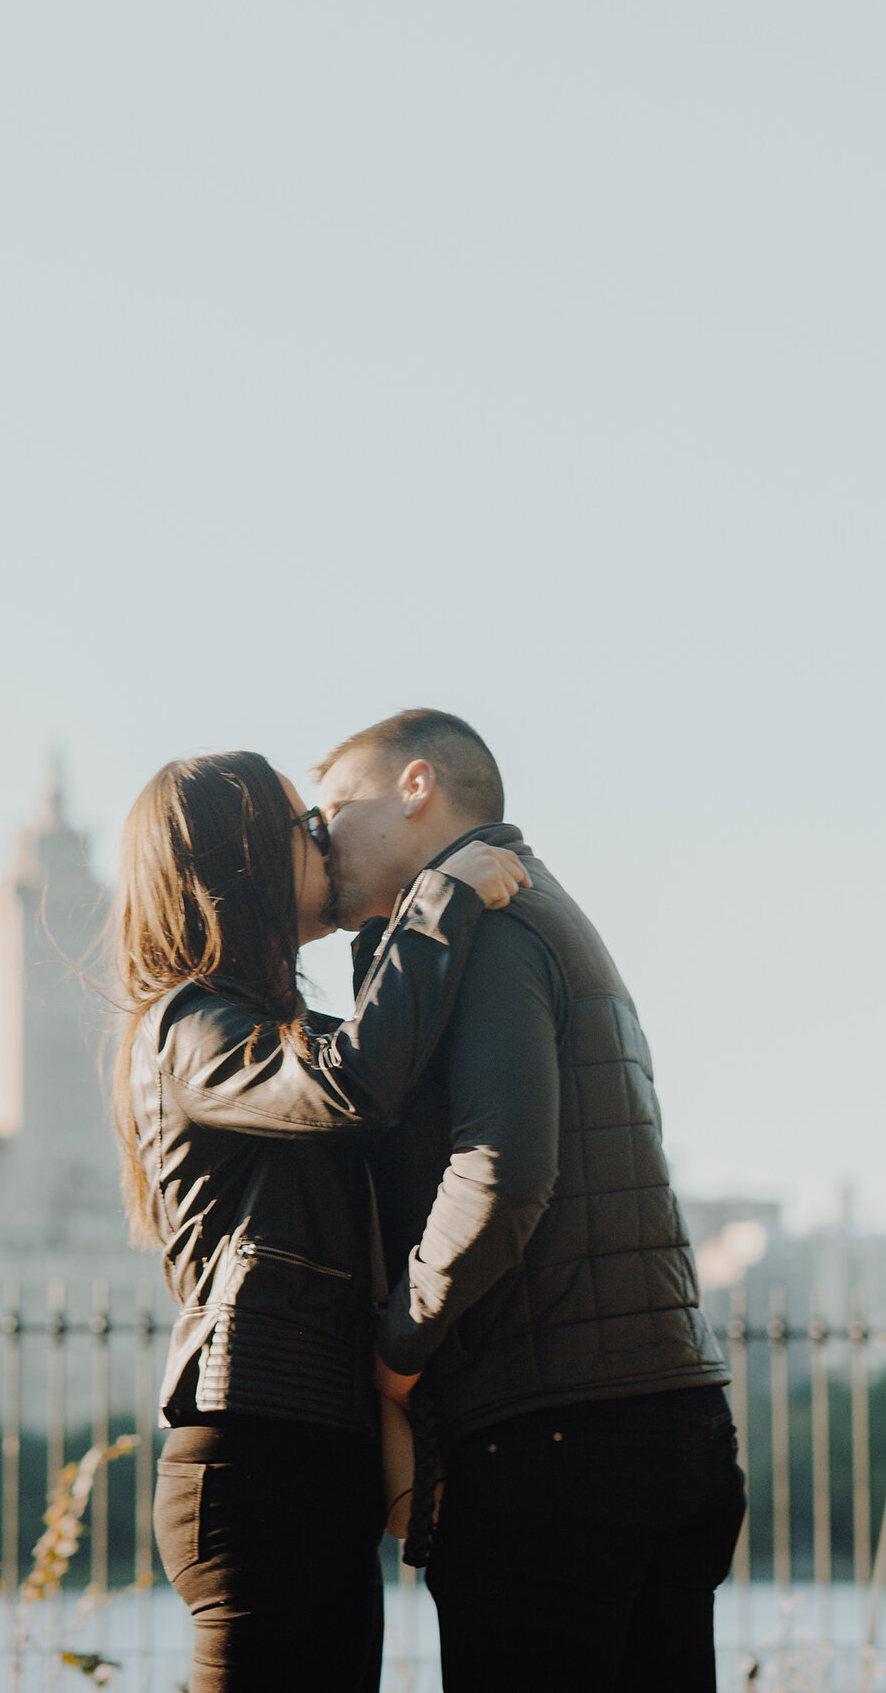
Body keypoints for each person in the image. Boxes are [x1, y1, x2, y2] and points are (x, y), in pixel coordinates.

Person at [315, 708, 746, 1693]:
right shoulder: (544, 910)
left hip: (557, 1448)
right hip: (662, 1418)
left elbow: (502, 1170)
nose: (322, 836)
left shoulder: (488, 926)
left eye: (336, 808)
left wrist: (398, 1343)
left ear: (414, 787)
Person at [112, 748, 526, 1693]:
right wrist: (438, 899)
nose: (325, 842)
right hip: (254, 1464)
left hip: (311, 1458)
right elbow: (355, 1085)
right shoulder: (190, 1024)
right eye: (303, 827)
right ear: (242, 861)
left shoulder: (278, 1024)